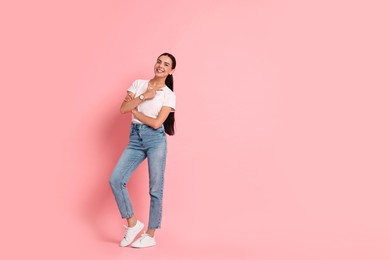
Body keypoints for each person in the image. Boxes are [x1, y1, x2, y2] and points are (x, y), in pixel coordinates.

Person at [109, 53, 176, 248]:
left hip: (156, 140)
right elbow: (123, 108)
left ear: (171, 71)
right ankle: (132, 223)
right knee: (116, 179)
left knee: (155, 189)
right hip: (135, 139)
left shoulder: (169, 94)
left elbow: (156, 123)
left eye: (166, 64)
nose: (160, 66)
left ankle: (150, 234)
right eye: (159, 61)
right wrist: (143, 97)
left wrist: (136, 111)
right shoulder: (139, 84)